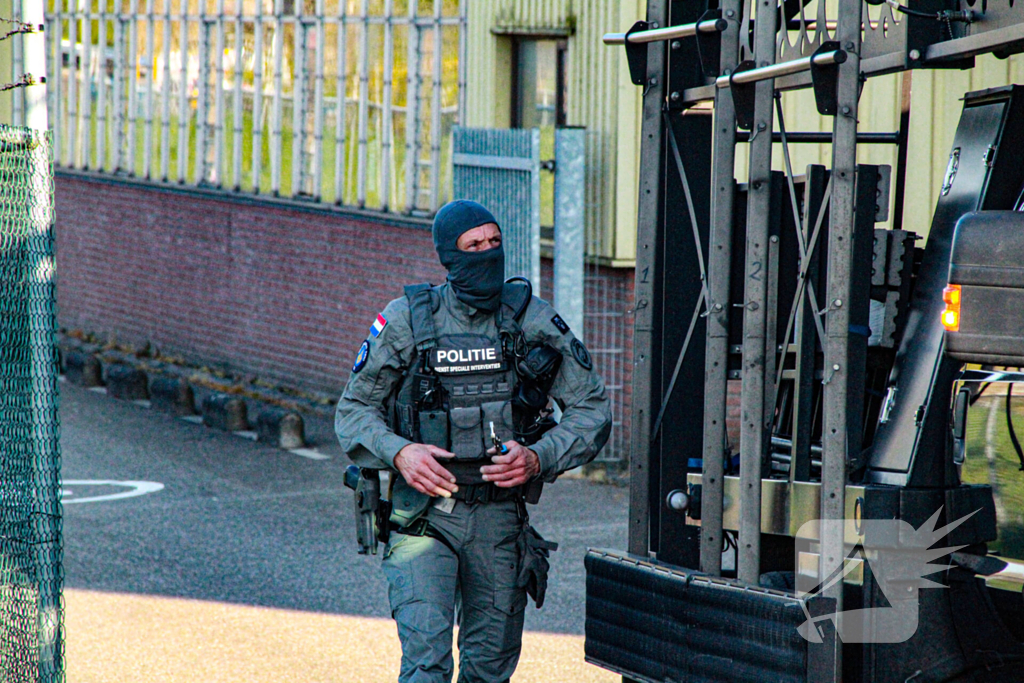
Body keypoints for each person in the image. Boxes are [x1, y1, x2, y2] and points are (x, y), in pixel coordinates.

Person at [335, 199, 611, 683]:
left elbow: (593, 409)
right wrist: (400, 452)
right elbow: (353, 410)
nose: (487, 253)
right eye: (473, 245)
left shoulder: (530, 320)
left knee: (488, 669)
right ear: (449, 256)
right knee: (426, 663)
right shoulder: (407, 320)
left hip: (498, 519)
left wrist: (538, 457)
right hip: (422, 518)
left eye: (494, 242)